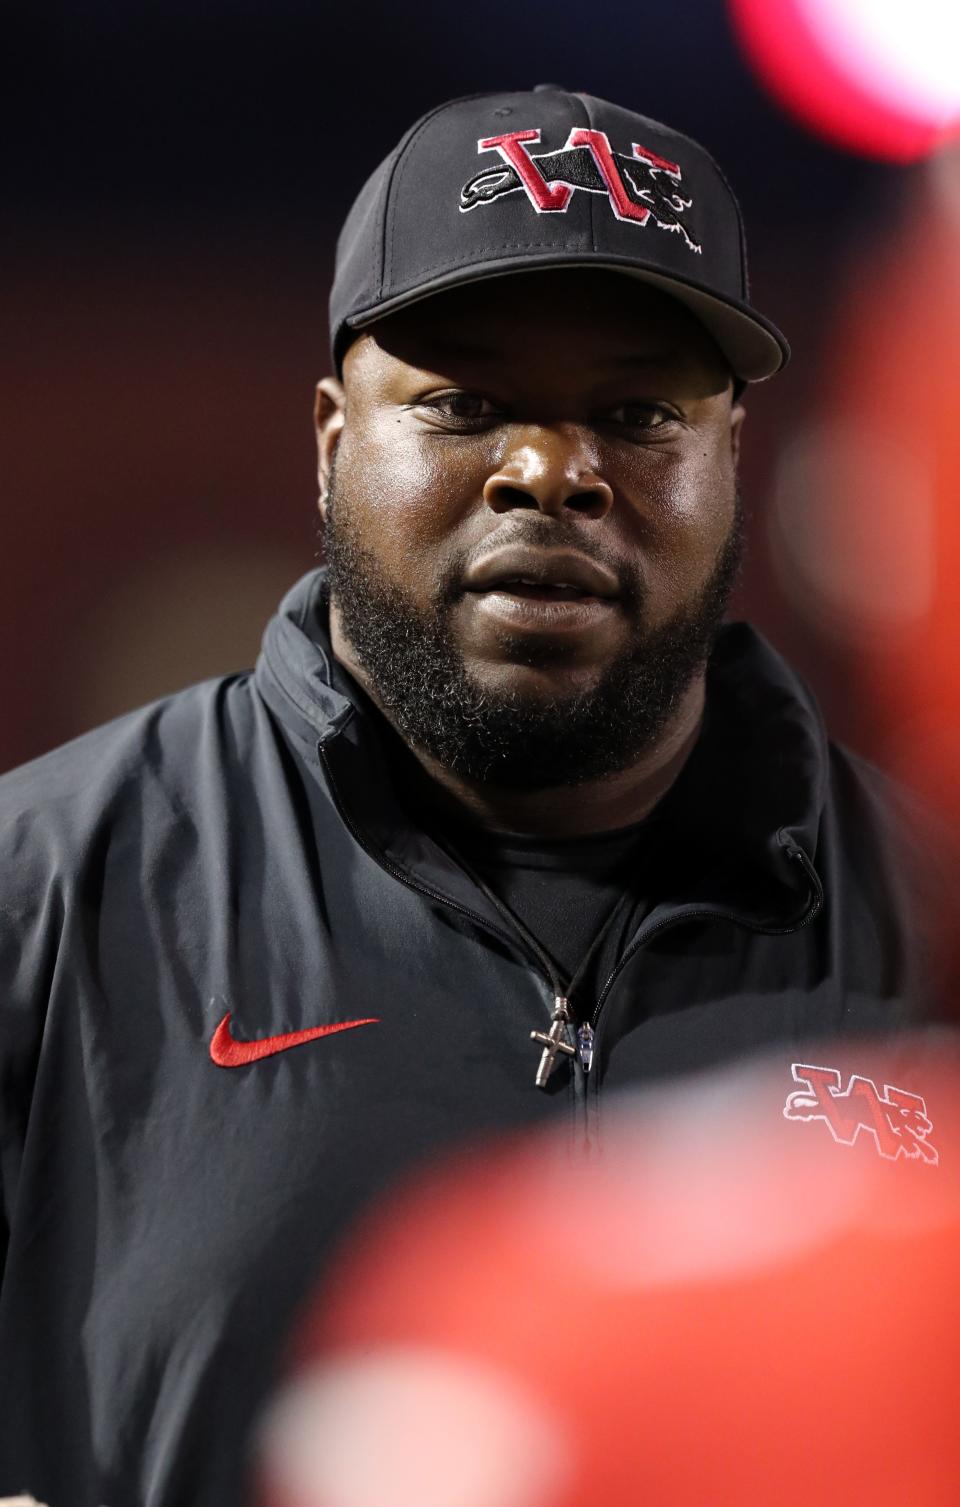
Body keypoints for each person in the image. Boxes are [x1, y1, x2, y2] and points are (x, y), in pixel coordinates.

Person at [0, 86, 949, 1506]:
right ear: (330, 440)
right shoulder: (43, 886)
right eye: (465, 403)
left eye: (637, 413)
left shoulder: (930, 916)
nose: (551, 472)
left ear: (735, 461)